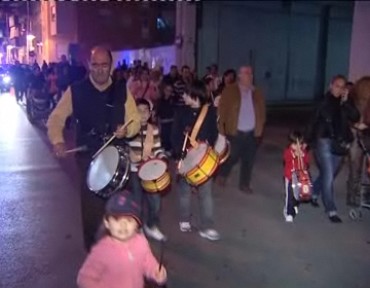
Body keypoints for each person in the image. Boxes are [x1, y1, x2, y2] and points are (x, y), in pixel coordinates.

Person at [46, 46, 141, 251]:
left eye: (104, 64)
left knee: (122, 213)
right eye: (95, 64)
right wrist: (58, 141)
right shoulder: (76, 90)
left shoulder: (121, 89)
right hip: (88, 160)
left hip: (118, 160)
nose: (99, 69)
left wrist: (127, 129)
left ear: (111, 66)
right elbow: (56, 118)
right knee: (93, 216)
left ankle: (124, 258)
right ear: (89, 65)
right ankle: (95, 257)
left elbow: (135, 120)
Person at [77, 190, 167, 288]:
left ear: (137, 224)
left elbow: (147, 261)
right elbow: (84, 279)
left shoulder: (141, 242)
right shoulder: (101, 251)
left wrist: (155, 271)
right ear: (107, 222)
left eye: (129, 220)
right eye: (116, 219)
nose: (123, 225)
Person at [305, 74, 360, 223]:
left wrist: (347, 102)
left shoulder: (345, 102)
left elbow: (355, 117)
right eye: (337, 86)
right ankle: (331, 209)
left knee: (327, 174)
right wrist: (305, 141)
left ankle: (314, 193)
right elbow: (312, 122)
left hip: (340, 144)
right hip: (323, 140)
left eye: (343, 87)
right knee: (328, 175)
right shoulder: (323, 102)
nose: (339, 89)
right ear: (331, 86)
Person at [171, 80, 220, 241]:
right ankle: (185, 220)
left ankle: (207, 226)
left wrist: (207, 147)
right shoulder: (180, 112)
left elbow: (214, 133)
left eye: (186, 93)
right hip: (186, 159)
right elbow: (175, 135)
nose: (183, 96)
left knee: (206, 194)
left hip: (203, 160)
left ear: (194, 94)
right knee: (184, 193)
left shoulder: (210, 111)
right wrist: (180, 155)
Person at [216, 65, 266, 194]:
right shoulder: (230, 91)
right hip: (235, 132)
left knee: (248, 160)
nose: (249, 76)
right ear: (239, 76)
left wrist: (260, 129)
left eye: (251, 74)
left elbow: (262, 111)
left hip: (252, 133)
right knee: (232, 157)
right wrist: (221, 131)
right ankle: (222, 174)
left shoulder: (257, 92)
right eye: (246, 73)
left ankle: (244, 184)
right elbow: (222, 111)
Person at [127, 98, 167, 241]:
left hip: (150, 171)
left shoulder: (154, 129)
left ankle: (151, 226)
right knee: (137, 202)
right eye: (139, 111)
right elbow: (124, 150)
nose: (143, 114)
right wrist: (130, 156)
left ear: (150, 113)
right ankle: (138, 229)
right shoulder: (129, 129)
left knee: (155, 202)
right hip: (134, 172)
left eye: (146, 111)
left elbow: (158, 148)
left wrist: (162, 158)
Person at [283, 131, 310, 222]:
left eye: (300, 144)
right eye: (295, 144)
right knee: (290, 196)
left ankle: (294, 207)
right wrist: (294, 155)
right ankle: (288, 212)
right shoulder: (288, 151)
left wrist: (304, 155)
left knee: (298, 195)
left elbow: (307, 162)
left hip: (300, 178)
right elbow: (286, 159)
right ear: (290, 144)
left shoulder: (303, 151)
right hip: (290, 177)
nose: (297, 146)